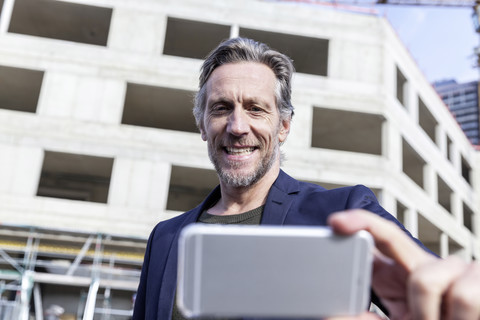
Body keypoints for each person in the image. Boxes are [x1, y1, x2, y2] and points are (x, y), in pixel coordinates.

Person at [132, 37, 480, 319]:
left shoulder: (344, 213)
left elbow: (439, 296)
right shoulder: (165, 238)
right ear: (203, 125)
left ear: (283, 126)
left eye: (256, 108)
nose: (238, 127)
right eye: (221, 108)